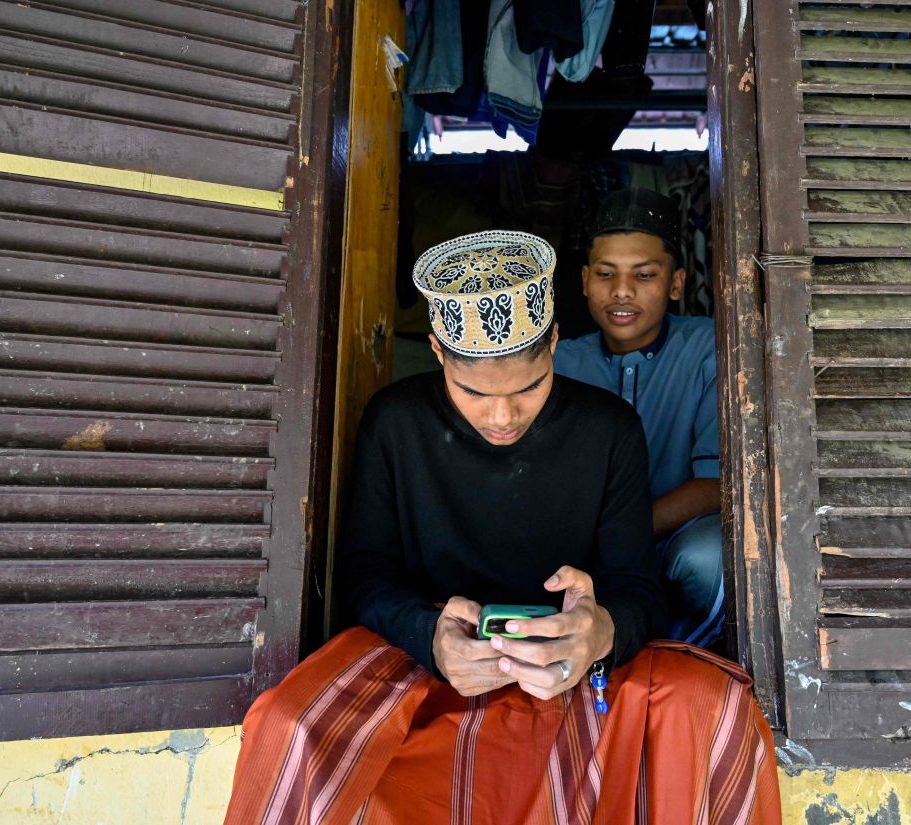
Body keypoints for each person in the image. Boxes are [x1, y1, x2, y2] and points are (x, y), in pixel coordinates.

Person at [222, 231, 780, 825]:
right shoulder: (395, 421)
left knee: (713, 704)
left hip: (570, 658)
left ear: (556, 345)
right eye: (473, 393)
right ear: (437, 352)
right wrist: (430, 635)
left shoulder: (608, 428)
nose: (503, 416)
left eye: (529, 387)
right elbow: (366, 574)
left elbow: (636, 584)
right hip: (429, 653)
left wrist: (598, 632)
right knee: (291, 726)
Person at [555, 188, 728, 649]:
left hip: (673, 539)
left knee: (712, 557)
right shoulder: (556, 363)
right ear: (585, 281)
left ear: (675, 284)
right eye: (606, 274)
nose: (622, 290)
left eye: (645, 275)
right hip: (579, 547)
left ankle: (682, 652)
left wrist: (622, 535)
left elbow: (716, 483)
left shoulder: (710, 347)